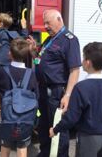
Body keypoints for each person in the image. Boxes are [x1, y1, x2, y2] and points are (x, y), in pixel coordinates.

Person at [49, 42, 102, 157]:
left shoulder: (81, 87)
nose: (81, 61)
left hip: (88, 138)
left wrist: (55, 129)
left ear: (88, 63)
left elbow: (71, 118)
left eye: (83, 58)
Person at [28, 9, 81, 157]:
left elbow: (75, 70)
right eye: (44, 23)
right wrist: (33, 51)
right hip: (43, 91)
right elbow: (39, 60)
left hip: (57, 92)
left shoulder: (69, 40)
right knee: (44, 125)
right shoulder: (49, 39)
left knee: (58, 128)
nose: (45, 26)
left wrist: (68, 95)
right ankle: (46, 152)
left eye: (48, 23)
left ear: (59, 20)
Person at [0, 38, 39, 157]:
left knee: (5, 148)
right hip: (25, 120)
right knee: (22, 148)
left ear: (10, 54)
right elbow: (36, 95)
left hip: (7, 119)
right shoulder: (31, 74)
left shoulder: (3, 72)